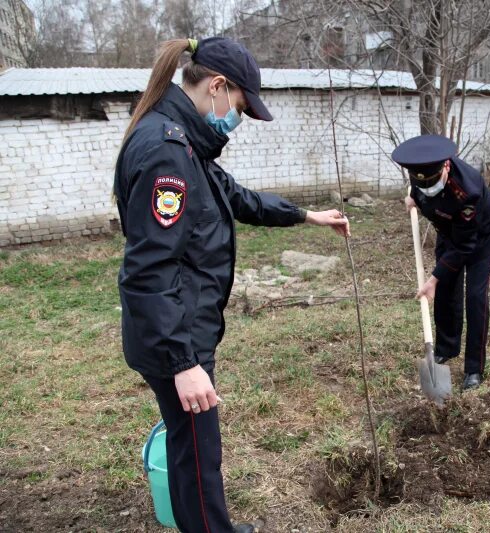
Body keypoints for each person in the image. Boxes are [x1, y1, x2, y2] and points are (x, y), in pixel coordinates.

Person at [113, 37, 350, 533]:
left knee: (188, 448)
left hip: (178, 328)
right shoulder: (168, 153)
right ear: (218, 87)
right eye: (240, 106)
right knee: (199, 457)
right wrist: (184, 364)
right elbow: (147, 271)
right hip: (178, 334)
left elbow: (234, 197)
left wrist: (306, 216)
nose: (237, 119)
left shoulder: (183, 143)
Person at [392, 135, 490, 389]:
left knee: (475, 297)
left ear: (446, 165)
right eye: (422, 182)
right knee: (445, 289)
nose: (427, 186)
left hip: (480, 237)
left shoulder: (468, 191)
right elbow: (419, 188)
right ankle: (446, 347)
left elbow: (465, 246)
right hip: (448, 232)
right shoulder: (422, 169)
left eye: (432, 181)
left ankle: (474, 369)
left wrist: (433, 278)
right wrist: (414, 199)